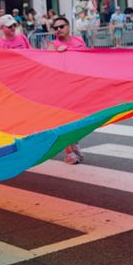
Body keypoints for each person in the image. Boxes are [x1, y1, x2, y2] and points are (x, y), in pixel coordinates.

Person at [47, 17, 86, 164]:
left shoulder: (79, 41)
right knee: (66, 120)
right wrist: (57, 53)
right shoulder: (53, 45)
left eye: (61, 26)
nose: (58, 30)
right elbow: (47, 64)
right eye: (55, 28)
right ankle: (69, 152)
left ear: (68, 26)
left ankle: (74, 146)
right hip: (62, 88)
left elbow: (88, 59)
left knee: (80, 120)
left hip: (79, 86)